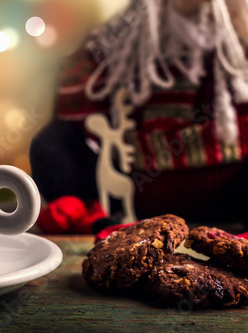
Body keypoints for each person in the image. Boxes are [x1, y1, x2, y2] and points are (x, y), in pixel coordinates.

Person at [30, 0, 248, 223]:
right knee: (51, 145)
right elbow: (81, 85)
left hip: (226, 190)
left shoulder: (236, 36)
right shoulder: (128, 33)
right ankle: (88, 217)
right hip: (130, 190)